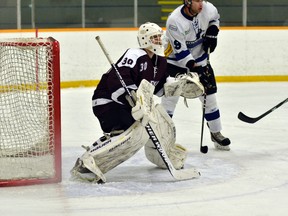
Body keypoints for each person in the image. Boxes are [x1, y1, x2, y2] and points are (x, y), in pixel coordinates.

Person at [70, 22, 204, 183]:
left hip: (131, 106)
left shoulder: (160, 62)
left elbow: (159, 88)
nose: (158, 40)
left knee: (159, 120)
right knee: (135, 134)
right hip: (108, 102)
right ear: (144, 40)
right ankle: (89, 163)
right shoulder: (134, 54)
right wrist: (133, 101)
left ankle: (163, 157)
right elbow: (115, 82)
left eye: (159, 37)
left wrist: (178, 86)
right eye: (154, 37)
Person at [161, 0, 231, 151]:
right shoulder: (174, 21)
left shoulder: (207, 8)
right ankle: (162, 137)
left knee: (210, 99)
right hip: (175, 64)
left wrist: (213, 30)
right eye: (197, 0)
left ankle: (216, 133)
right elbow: (182, 53)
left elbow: (214, 19)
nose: (201, 3)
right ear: (187, 2)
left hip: (201, 60)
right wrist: (196, 69)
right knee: (169, 100)